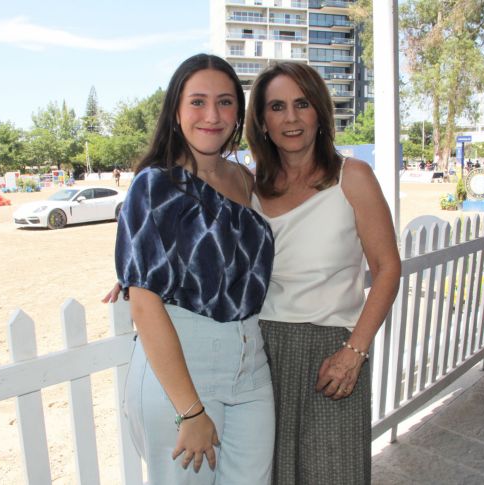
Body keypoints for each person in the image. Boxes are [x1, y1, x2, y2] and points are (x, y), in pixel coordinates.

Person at [102, 53, 276, 484]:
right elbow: (144, 307)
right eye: (197, 101)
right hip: (182, 370)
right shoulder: (154, 184)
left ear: (239, 113)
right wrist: (190, 410)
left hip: (250, 366)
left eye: (225, 102)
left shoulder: (247, 180)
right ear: (176, 111)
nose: (212, 115)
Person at [244, 61, 401, 484]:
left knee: (334, 473)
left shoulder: (353, 178)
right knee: (269, 474)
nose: (291, 118)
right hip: (262, 352)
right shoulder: (248, 187)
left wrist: (355, 351)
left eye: (302, 103)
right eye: (277, 107)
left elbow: (387, 268)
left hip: (333, 354)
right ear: (261, 120)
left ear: (320, 113)